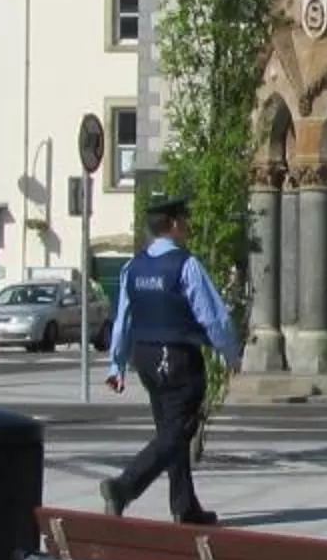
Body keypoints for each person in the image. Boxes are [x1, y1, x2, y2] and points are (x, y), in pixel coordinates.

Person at [101, 194, 240, 526]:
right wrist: (230, 353)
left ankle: (184, 505)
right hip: (178, 355)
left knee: (168, 429)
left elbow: (123, 320)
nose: (187, 226)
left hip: (145, 356)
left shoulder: (132, 267)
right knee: (180, 429)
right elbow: (213, 317)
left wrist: (116, 365)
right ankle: (124, 486)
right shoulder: (185, 264)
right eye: (185, 220)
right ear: (174, 225)